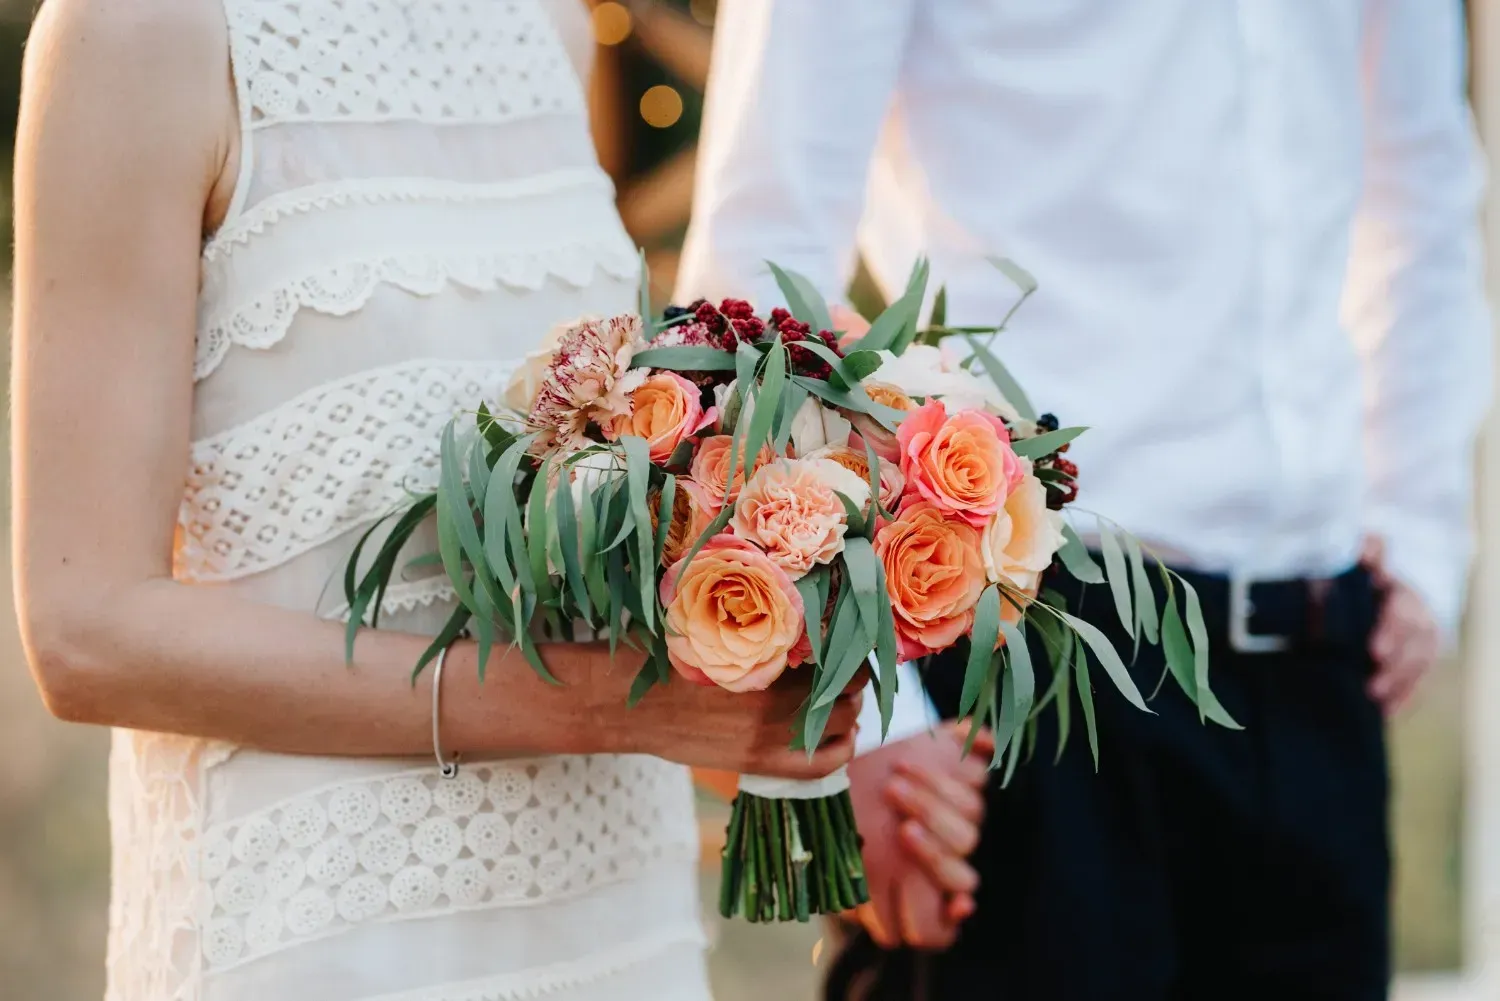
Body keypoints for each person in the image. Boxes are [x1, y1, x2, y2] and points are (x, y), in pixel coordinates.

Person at [7, 1, 989, 998]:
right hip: (336, 939)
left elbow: (561, 524)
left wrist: (810, 723)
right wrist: (614, 709)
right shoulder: (139, 35)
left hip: (615, 922)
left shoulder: (547, 28)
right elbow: (88, 631)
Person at [676, 1, 1491, 997]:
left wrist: (1418, 532)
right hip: (1024, 665)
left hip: (1315, 663)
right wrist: (868, 726)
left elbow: (1420, 186)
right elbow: (759, 262)